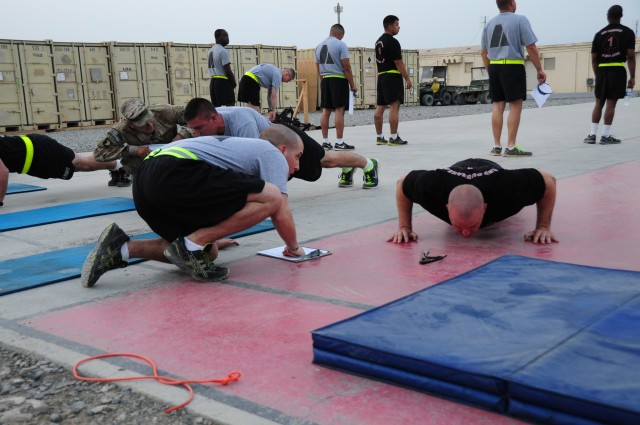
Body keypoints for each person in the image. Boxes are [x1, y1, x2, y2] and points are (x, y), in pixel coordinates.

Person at [81, 124, 306, 287]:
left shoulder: (234, 152)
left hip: (145, 183)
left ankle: (120, 248)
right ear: (283, 149)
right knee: (272, 196)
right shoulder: (271, 153)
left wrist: (212, 236)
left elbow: (215, 194)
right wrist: (295, 248)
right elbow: (280, 211)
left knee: (210, 253)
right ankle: (192, 244)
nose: (296, 166)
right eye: (298, 156)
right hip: (173, 172)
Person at [184, 97, 379, 189]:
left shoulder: (243, 124)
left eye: (200, 129)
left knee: (325, 160)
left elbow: (253, 165)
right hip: (272, 144)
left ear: (214, 118)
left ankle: (367, 164)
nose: (198, 134)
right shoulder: (207, 118)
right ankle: (347, 167)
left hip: (283, 136)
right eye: (195, 130)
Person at [387, 158, 557, 244]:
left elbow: (548, 181)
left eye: (473, 226)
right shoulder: (433, 187)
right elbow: (402, 183)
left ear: (484, 208)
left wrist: (542, 227)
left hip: (491, 168)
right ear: (446, 207)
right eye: (459, 226)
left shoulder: (506, 190)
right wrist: (405, 227)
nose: (466, 234)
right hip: (458, 168)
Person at [481, 0, 546, 157]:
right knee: (515, 105)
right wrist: (539, 69)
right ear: (511, 3)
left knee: (497, 106)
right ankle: (511, 146)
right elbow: (531, 47)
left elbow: (483, 52)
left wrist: (491, 70)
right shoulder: (520, 20)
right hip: (512, 66)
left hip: (495, 66)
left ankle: (496, 146)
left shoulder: (489, 24)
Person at [93, 98, 194, 185]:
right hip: (145, 168)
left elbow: (198, 120)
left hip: (175, 157)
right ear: (131, 125)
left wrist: (181, 136)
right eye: (143, 125)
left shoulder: (165, 111)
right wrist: (134, 150)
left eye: (150, 120)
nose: (150, 126)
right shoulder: (121, 129)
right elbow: (99, 153)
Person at [0, 134, 119, 207]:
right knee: (81, 163)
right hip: (33, 155)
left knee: (82, 164)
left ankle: (119, 165)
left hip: (41, 152)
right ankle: (117, 164)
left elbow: (3, 174)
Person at [583, 5, 636, 145]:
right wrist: (632, 76)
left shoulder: (599, 34)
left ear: (608, 16)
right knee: (611, 103)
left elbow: (594, 59)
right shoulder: (628, 32)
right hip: (617, 71)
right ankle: (606, 136)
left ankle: (592, 135)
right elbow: (630, 56)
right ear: (621, 16)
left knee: (599, 102)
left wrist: (598, 74)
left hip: (601, 70)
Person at [315, 23, 358, 151]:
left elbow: (317, 67)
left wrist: (323, 80)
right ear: (339, 34)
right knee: (339, 110)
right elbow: (346, 67)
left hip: (325, 79)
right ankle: (339, 142)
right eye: (341, 36)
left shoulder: (318, 46)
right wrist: (353, 85)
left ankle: (325, 141)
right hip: (338, 79)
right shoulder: (340, 45)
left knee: (326, 111)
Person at [374, 15, 412, 146]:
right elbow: (399, 62)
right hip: (392, 77)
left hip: (381, 76)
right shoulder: (393, 42)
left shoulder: (378, 41)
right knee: (394, 106)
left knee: (380, 108)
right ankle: (394, 137)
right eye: (396, 25)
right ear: (389, 26)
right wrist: (407, 77)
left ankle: (379, 137)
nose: (398, 27)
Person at [208, 29, 237, 107]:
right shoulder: (223, 51)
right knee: (230, 107)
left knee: (217, 109)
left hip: (213, 82)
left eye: (227, 36)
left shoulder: (210, 50)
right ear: (218, 37)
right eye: (225, 36)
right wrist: (233, 83)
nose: (227, 38)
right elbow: (227, 70)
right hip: (223, 82)